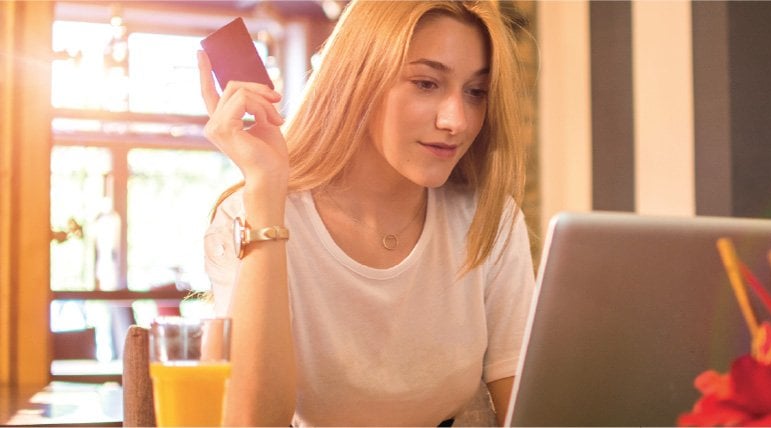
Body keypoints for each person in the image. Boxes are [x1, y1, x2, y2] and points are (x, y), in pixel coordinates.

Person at [198, 1, 535, 426]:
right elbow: (252, 422)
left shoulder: (488, 218)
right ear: (356, 78)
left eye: (475, 92)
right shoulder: (250, 214)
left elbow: (527, 410)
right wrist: (265, 192)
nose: (457, 120)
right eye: (426, 83)